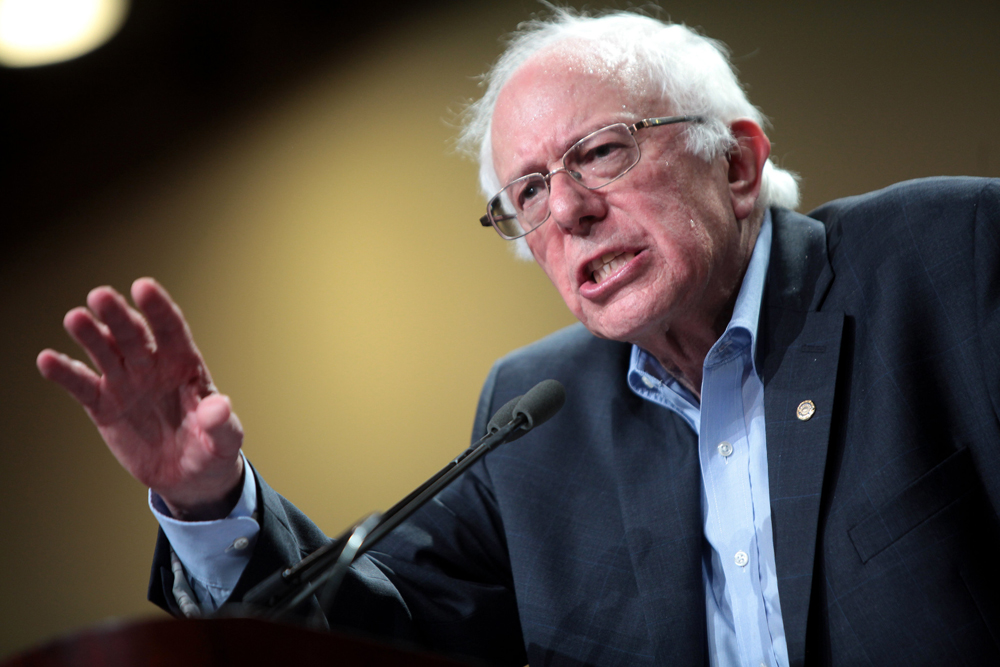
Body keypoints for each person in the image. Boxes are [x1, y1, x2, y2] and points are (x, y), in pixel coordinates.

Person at [37, 8, 1000, 666]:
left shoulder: (947, 256)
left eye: (601, 152)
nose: (570, 210)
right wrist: (208, 500)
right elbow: (371, 633)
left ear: (739, 162)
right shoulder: (536, 415)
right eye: (528, 193)